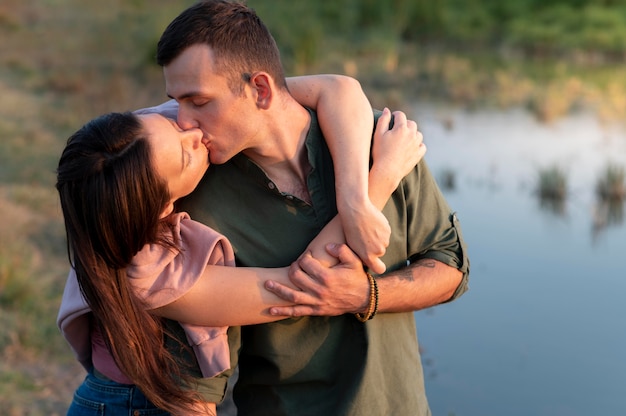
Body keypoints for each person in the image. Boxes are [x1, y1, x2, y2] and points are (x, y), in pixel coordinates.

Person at [149, 1, 470, 415]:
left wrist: (366, 295)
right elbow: (196, 390)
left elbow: (451, 266)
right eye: (177, 102)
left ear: (260, 90)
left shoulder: (383, 143)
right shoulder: (196, 201)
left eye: (199, 101)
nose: (185, 121)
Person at [56, 78, 425, 414]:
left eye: (173, 125)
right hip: (136, 404)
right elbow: (296, 287)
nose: (196, 135)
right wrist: (384, 176)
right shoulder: (149, 272)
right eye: (187, 157)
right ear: (165, 206)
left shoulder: (145, 139)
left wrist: (353, 200)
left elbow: (337, 88)